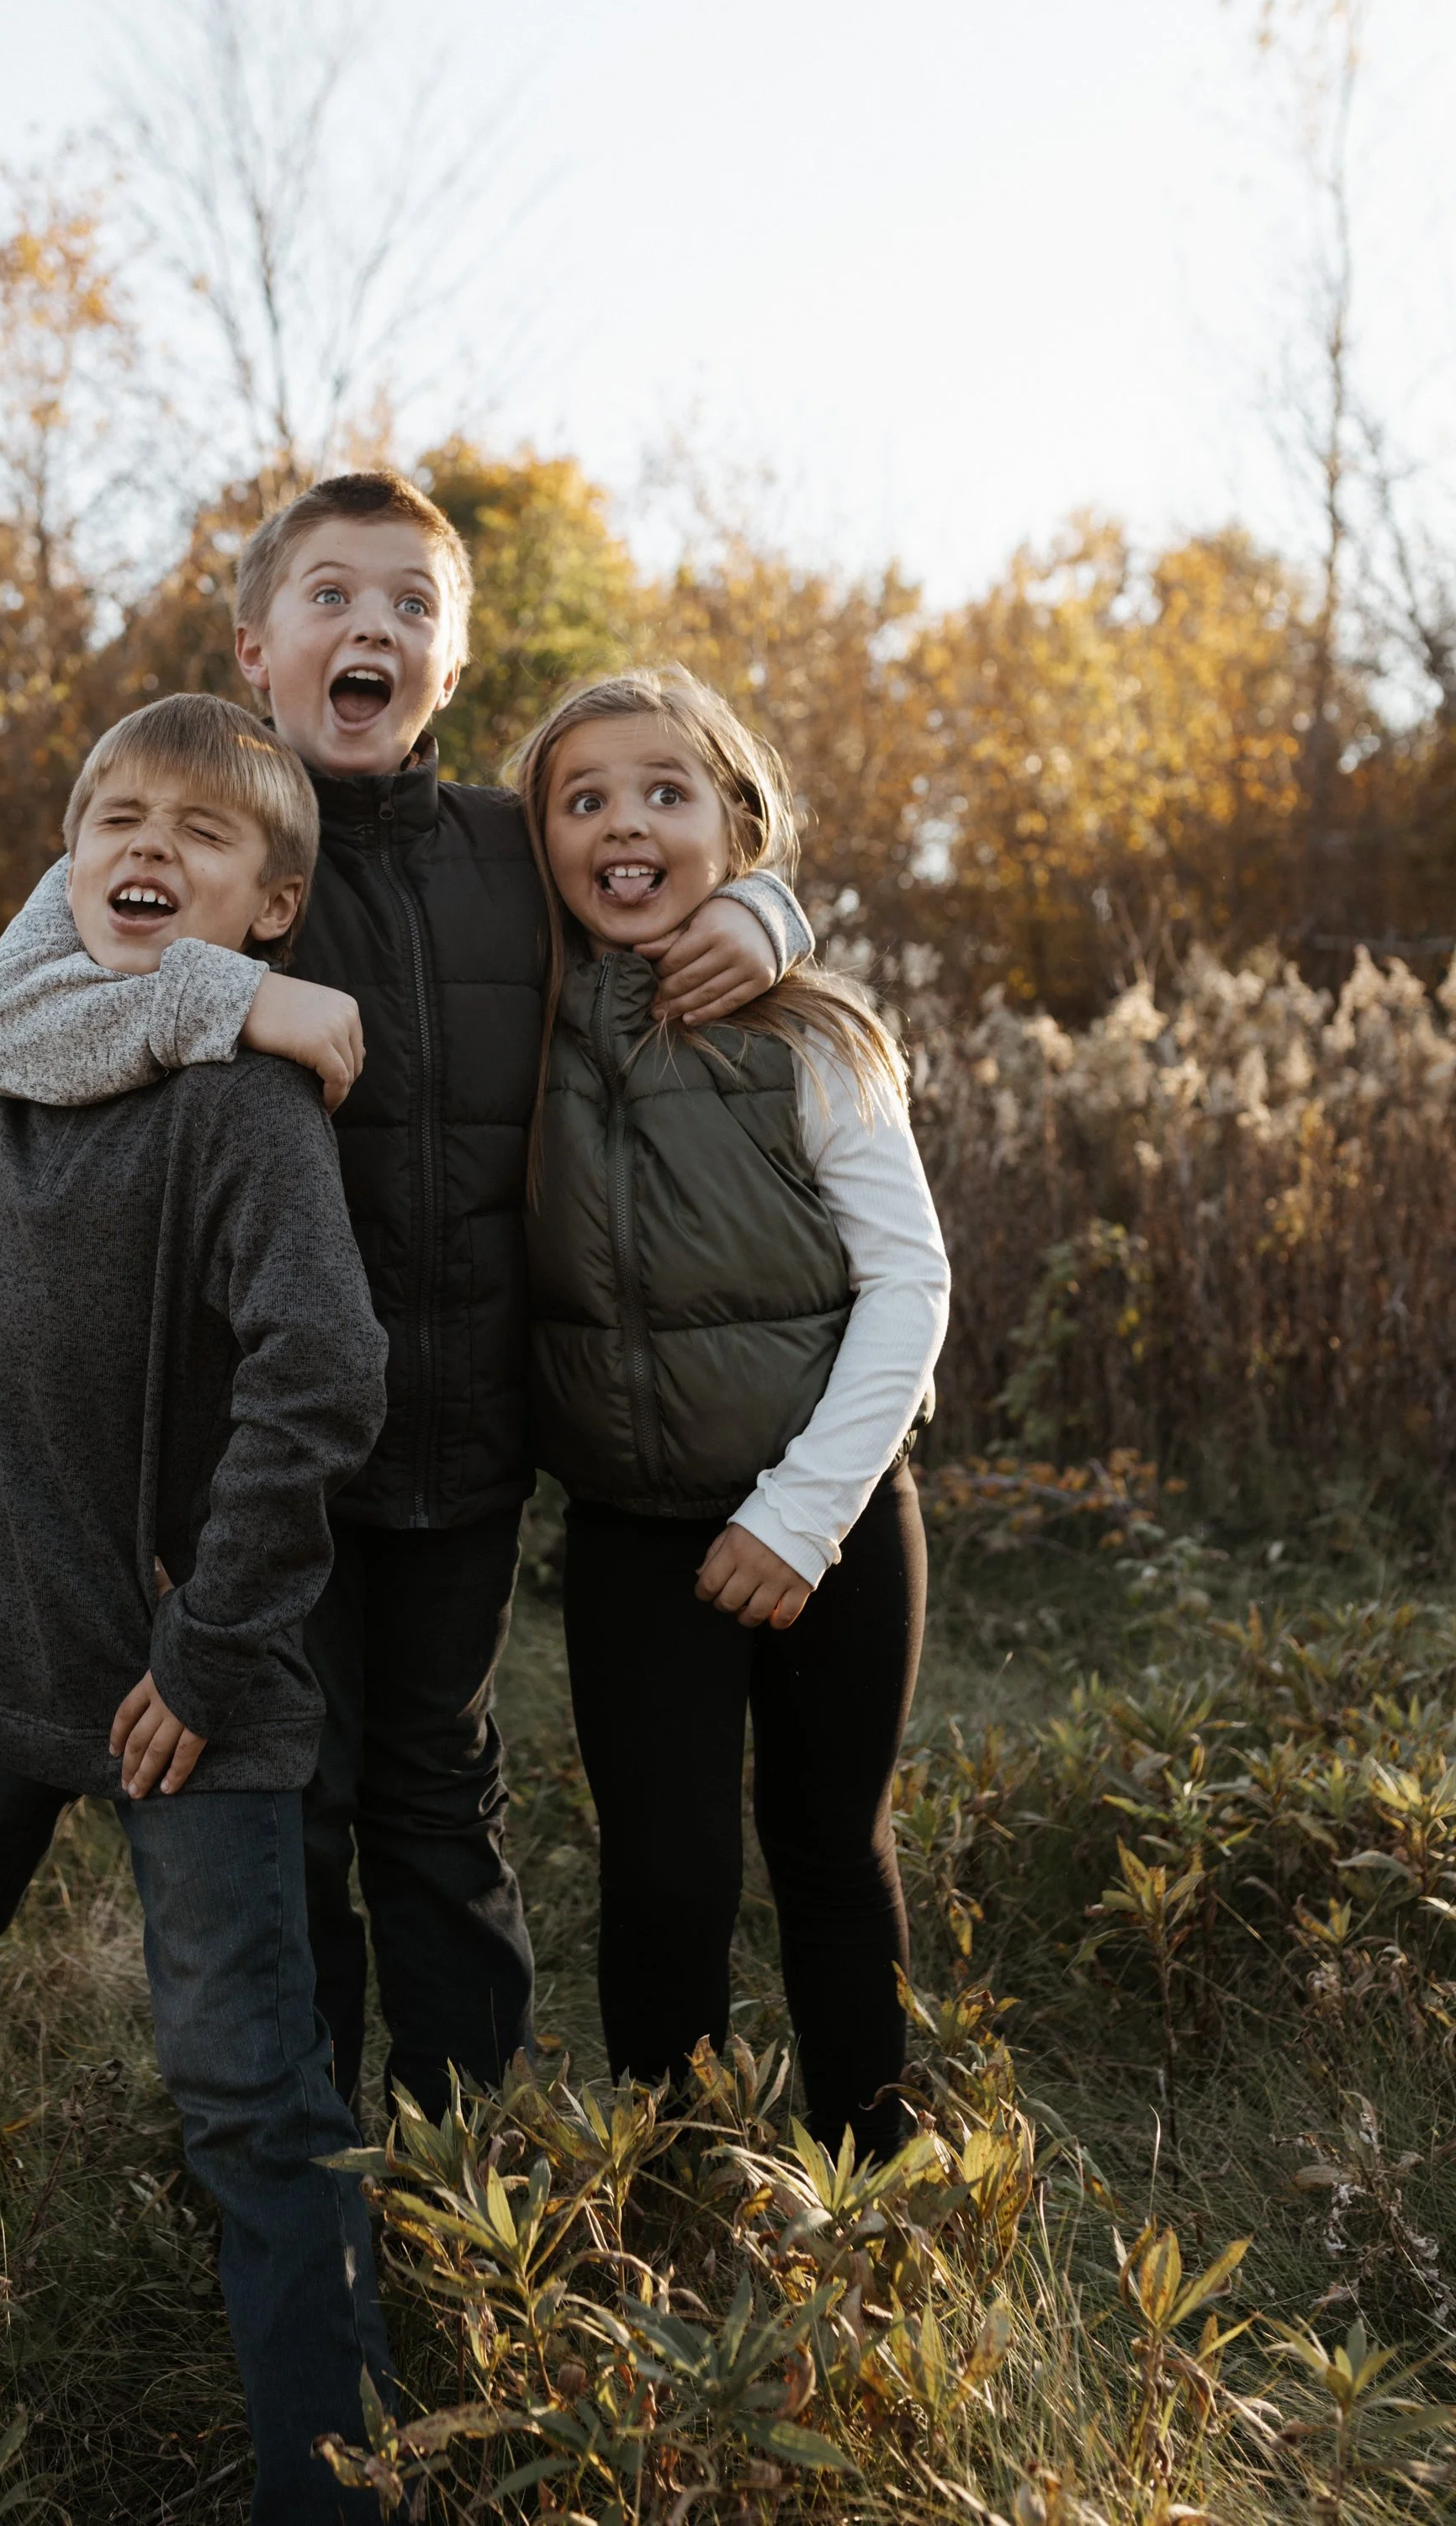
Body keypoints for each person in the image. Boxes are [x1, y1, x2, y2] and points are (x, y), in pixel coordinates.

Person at [0, 469, 811, 2121]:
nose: (372, 627)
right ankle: (300, 2160)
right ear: (255, 646)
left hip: (467, 1436)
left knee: (437, 1789)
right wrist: (227, 995)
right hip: (257, 1455)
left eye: (410, 604)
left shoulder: (505, 848)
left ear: (452, 661)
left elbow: (668, 864)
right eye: (332, 595)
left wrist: (763, 910)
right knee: (293, 1799)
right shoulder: (205, 838)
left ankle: (463, 2164)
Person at [0, 695, 394, 2526]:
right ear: (68, 860)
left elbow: (323, 1376)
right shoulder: (17, 1077)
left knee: (246, 2090)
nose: (149, 845)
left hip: (184, 1692)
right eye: (116, 816)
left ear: (270, 908)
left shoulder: (244, 1109)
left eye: (203, 833)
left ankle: (334, 2476)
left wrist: (210, 1644)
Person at [509, 667, 951, 2159]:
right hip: (636, 1535)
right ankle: (675, 2196)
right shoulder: (528, 1030)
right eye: (583, 800)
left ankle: (873, 2191)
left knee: (831, 1853)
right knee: (665, 1877)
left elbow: (911, 1289)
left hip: (832, 1520)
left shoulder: (814, 1039)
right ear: (541, 844)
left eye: (665, 792)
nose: (624, 824)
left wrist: (800, 1515)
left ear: (737, 828)